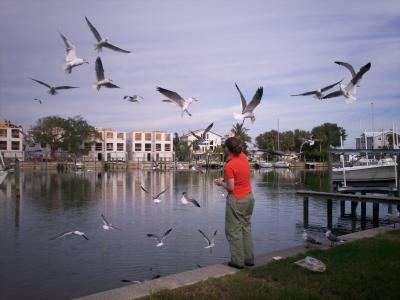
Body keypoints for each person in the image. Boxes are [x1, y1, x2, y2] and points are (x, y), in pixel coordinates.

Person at [214, 137, 254, 269]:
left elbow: (231, 187)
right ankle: (249, 259)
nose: (223, 148)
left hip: (237, 199)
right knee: (245, 228)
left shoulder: (229, 165)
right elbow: (238, 178)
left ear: (228, 149)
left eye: (224, 146)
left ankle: (237, 261)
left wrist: (220, 183)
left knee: (233, 231)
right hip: (249, 198)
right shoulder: (244, 157)